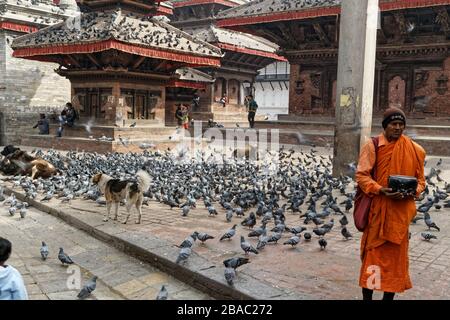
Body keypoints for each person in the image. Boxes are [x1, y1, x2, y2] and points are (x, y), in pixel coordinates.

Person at [355, 107, 426, 300]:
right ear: (385, 126)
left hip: (400, 218)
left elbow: (421, 181)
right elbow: (362, 175)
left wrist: (412, 191)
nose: (397, 128)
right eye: (393, 124)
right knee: (373, 263)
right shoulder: (373, 146)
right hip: (378, 216)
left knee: (395, 265)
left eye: (401, 125)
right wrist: (380, 189)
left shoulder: (415, 150)